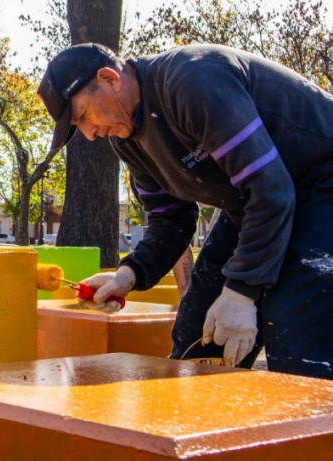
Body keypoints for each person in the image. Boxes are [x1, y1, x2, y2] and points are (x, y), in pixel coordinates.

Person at [37, 43, 333, 379]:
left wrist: (242, 290)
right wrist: (128, 274)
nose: (89, 134)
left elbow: (272, 190)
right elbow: (171, 220)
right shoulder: (126, 140)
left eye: (83, 116)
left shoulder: (191, 81)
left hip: (320, 183)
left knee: (294, 321)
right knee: (198, 324)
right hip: (253, 203)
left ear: (109, 79)